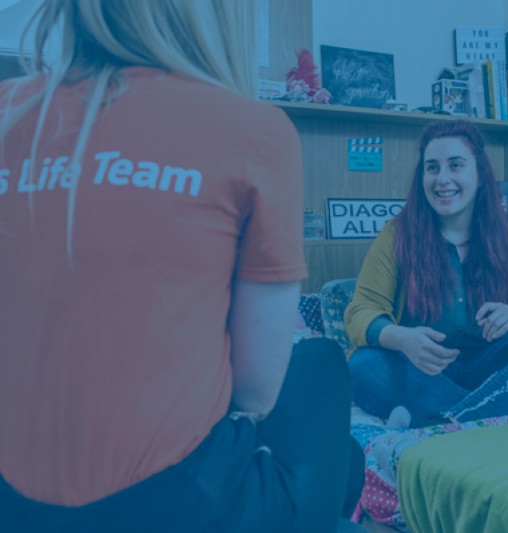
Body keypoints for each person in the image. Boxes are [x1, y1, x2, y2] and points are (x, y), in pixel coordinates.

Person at [0, 1, 363, 531]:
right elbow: (255, 392)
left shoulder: (8, 112)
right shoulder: (256, 130)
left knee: (347, 456)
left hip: (14, 500)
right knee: (323, 366)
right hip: (173, 504)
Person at [345, 120, 508, 429]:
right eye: (432, 168)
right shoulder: (396, 236)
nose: (442, 179)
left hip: (493, 367)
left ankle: (446, 420)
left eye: (456, 165)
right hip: (422, 369)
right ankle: (486, 415)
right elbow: (360, 313)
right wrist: (403, 338)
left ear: (479, 176)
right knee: (363, 365)